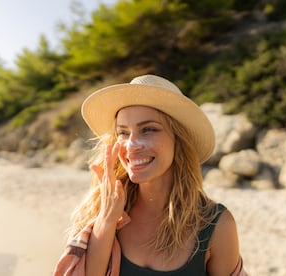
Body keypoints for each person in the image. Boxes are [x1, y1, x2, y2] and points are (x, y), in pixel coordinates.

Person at [54, 74, 246, 276]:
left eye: (148, 129)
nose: (132, 145)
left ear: (178, 139)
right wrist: (107, 219)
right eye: (123, 133)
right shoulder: (97, 211)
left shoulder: (216, 224)